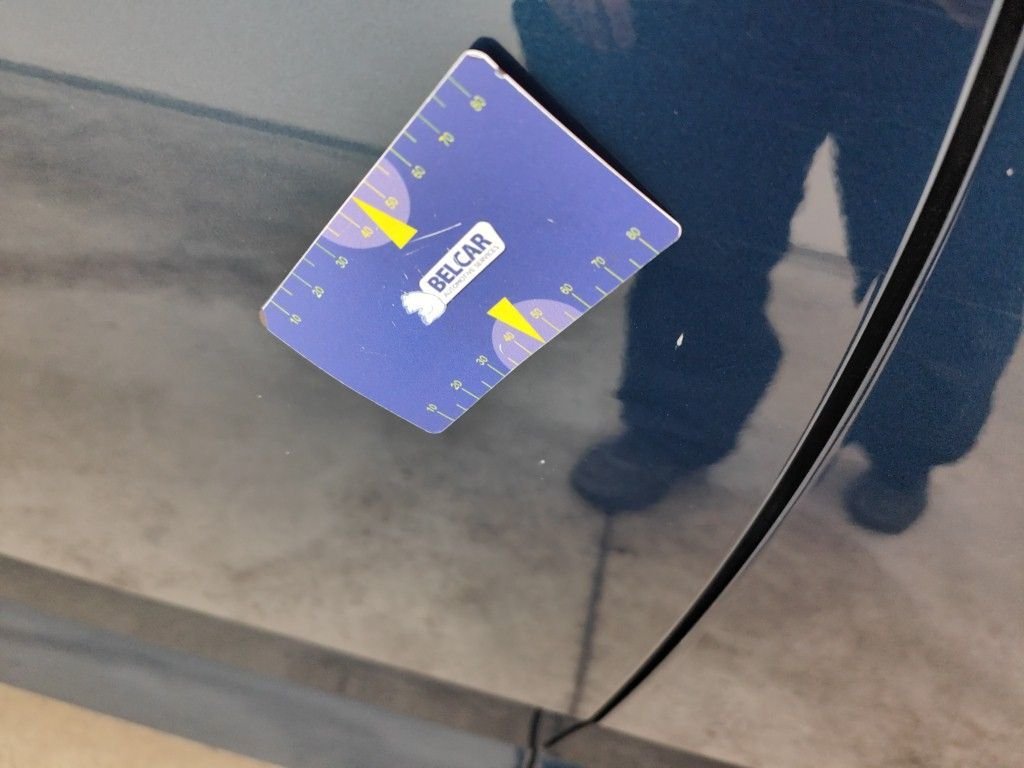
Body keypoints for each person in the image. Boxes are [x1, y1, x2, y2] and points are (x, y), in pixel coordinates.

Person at [514, 0, 1021, 533]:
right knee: (705, 229)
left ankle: (909, 449)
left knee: (957, 264)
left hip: (964, 28)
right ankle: (675, 425)